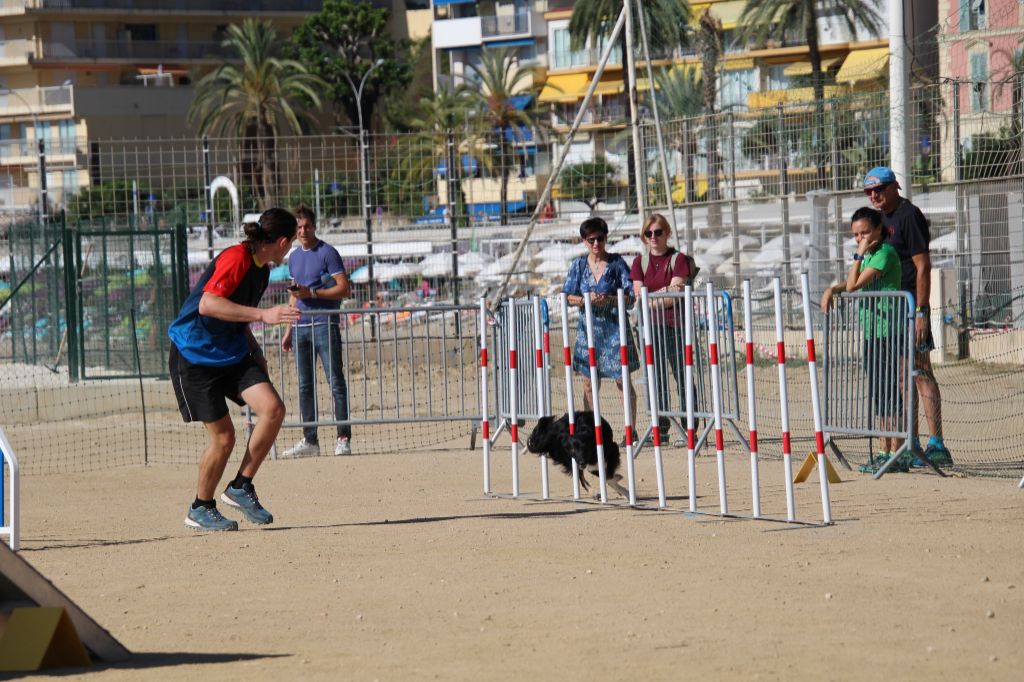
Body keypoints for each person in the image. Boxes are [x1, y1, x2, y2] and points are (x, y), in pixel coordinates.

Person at [168, 208, 300, 532]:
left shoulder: (263, 271)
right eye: (291, 244)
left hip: (232, 352)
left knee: (273, 409)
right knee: (224, 438)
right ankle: (200, 507)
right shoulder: (236, 258)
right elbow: (208, 304)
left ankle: (241, 486)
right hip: (194, 355)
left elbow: (236, 316)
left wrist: (255, 350)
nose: (290, 250)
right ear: (282, 241)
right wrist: (264, 314)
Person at [863, 166, 952, 467]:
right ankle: (909, 442)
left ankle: (936, 443)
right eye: (869, 191)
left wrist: (921, 311)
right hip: (890, 313)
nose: (874, 195)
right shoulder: (877, 220)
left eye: (879, 189)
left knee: (921, 372)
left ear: (894, 187)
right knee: (902, 378)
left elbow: (923, 266)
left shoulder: (908, 216)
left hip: (911, 307)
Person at [821, 207, 907, 472]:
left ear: (879, 229)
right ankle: (884, 449)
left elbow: (853, 286)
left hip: (889, 332)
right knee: (879, 393)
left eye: (866, 233)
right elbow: (848, 283)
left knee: (890, 393)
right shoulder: (868, 255)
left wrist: (859, 255)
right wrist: (830, 289)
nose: (861, 238)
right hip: (872, 332)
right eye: (856, 235)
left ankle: (897, 451)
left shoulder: (884, 254)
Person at [281, 205, 353, 458]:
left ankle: (343, 437)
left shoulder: (328, 253)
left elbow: (344, 288)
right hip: (301, 327)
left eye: (306, 226)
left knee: (335, 382)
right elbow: (293, 296)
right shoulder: (293, 257)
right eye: (298, 227)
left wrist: (313, 293)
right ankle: (310, 440)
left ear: (314, 226)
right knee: (304, 386)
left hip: (325, 324)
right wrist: (288, 329)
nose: (303, 231)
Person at [562, 217, 638, 434]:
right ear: (584, 241)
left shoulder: (617, 264)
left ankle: (630, 430)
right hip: (589, 331)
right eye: (591, 239)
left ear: (606, 238)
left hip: (615, 330)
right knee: (588, 384)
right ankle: (590, 431)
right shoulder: (577, 266)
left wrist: (611, 299)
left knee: (622, 381)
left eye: (600, 238)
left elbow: (631, 297)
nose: (596, 243)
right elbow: (566, 296)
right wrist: (587, 299)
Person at [629, 213, 698, 441]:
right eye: (649, 233)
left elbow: (675, 295)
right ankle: (662, 427)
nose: (653, 237)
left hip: (677, 326)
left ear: (667, 232)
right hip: (650, 329)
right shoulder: (640, 263)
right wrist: (662, 293)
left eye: (658, 232)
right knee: (655, 378)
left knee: (683, 375)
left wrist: (653, 297)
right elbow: (639, 296)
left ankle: (690, 428)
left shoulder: (679, 260)